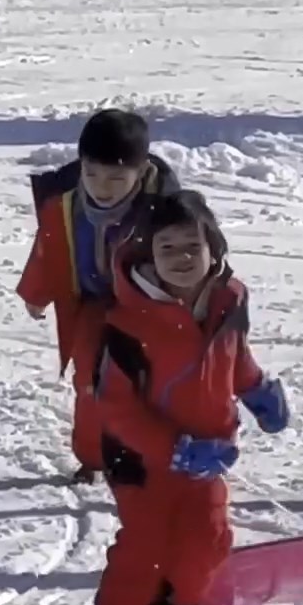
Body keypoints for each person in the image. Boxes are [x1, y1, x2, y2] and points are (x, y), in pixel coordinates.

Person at [93, 189, 289, 605]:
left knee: (208, 535)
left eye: (191, 247)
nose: (181, 258)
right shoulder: (127, 325)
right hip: (141, 456)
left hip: (211, 450)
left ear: (213, 248)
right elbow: (115, 406)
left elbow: (233, 353)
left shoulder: (230, 300)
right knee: (148, 540)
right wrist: (172, 449)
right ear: (148, 254)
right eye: (167, 248)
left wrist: (256, 388)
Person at [16, 109, 180, 484]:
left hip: (147, 309)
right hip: (92, 304)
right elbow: (50, 246)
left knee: (147, 381)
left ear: (141, 172)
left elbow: (194, 254)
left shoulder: (167, 209)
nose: (101, 186)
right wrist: (38, 292)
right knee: (89, 378)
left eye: (116, 178)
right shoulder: (67, 201)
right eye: (92, 174)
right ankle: (92, 456)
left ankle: (149, 450)